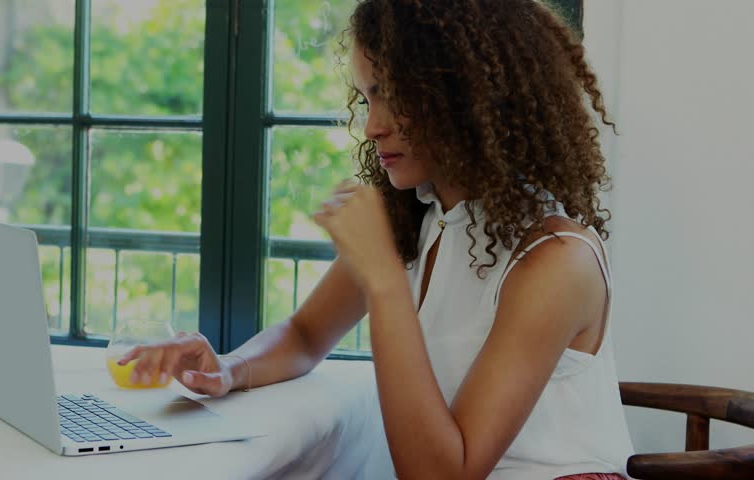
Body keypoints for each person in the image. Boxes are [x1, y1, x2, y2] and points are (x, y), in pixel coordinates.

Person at [119, 0, 635, 478]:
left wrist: (385, 279)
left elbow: (442, 474)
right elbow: (304, 335)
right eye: (367, 96)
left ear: (467, 96)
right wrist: (228, 368)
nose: (371, 126)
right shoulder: (417, 218)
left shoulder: (556, 260)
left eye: (393, 95)